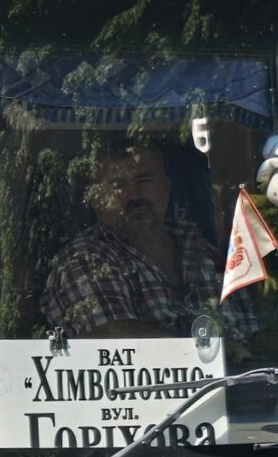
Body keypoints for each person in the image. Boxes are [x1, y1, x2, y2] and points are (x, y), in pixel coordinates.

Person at [39, 138, 228, 338]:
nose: (134, 195)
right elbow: (115, 342)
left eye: (144, 180)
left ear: (167, 187)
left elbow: (252, 335)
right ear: (97, 200)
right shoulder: (85, 259)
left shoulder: (202, 248)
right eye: (118, 185)